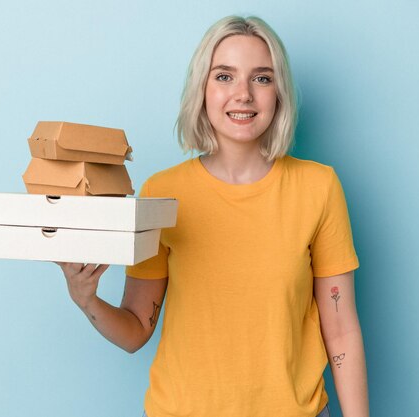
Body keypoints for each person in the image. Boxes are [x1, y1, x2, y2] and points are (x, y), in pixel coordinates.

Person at [57, 15, 369, 417]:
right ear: (202, 88)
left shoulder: (318, 188)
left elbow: (341, 332)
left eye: (261, 78)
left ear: (279, 93)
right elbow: (136, 330)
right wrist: (86, 300)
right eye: (224, 76)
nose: (243, 94)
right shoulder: (162, 194)